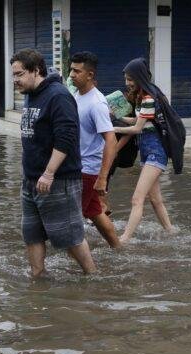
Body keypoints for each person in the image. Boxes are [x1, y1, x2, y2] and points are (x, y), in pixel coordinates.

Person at [11, 48, 96, 277]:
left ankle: (93, 277)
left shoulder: (58, 96)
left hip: (58, 180)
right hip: (31, 180)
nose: (15, 80)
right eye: (13, 75)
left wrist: (48, 173)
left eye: (19, 74)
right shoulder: (30, 93)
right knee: (32, 234)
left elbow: (66, 138)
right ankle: (37, 278)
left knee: (69, 237)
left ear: (36, 70)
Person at [113, 58, 176, 241]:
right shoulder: (143, 97)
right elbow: (137, 120)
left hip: (155, 153)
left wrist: (112, 128)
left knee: (137, 199)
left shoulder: (148, 98)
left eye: (130, 79)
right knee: (155, 199)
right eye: (126, 79)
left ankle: (124, 239)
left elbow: (137, 129)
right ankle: (172, 232)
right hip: (148, 153)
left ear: (140, 77)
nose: (127, 83)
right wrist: (116, 116)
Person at [68, 51, 120, 248]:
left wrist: (102, 178)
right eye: (71, 70)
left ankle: (79, 260)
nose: (72, 75)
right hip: (77, 166)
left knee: (70, 219)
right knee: (95, 212)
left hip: (87, 169)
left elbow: (111, 140)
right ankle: (118, 248)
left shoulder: (96, 103)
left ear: (90, 75)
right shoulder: (76, 95)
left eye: (77, 71)